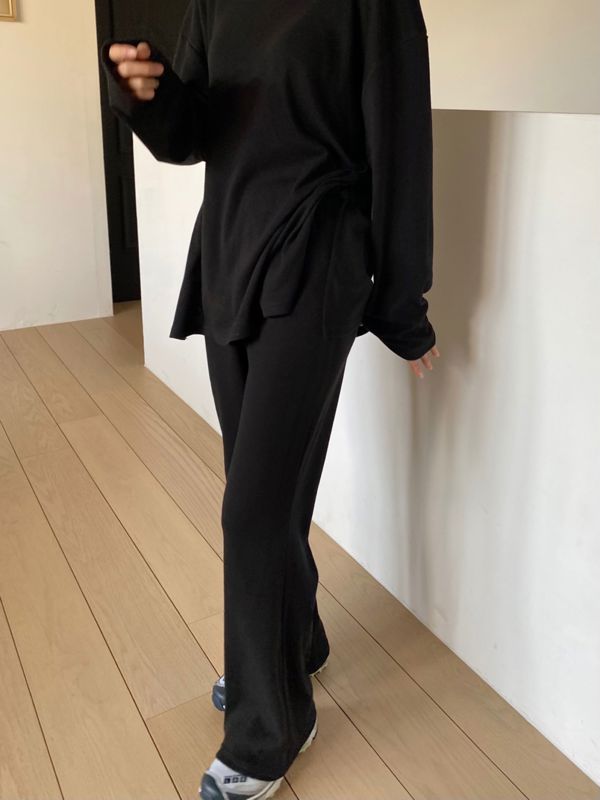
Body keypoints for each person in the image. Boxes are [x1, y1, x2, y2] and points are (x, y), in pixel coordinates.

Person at [100, 0, 440, 797]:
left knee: (252, 508)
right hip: (229, 253)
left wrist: (403, 306)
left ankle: (270, 727)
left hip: (318, 253)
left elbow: (402, 145)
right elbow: (195, 133)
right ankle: (297, 643)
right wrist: (151, 96)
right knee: (262, 490)